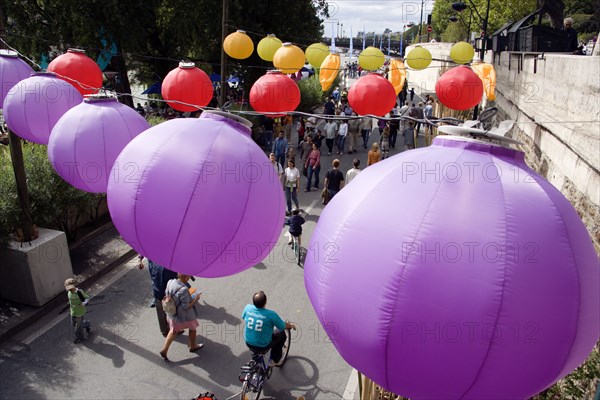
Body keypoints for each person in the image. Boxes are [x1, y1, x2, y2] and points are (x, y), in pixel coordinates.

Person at [242, 291, 296, 367]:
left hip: (248, 341)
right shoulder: (271, 314)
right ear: (265, 302)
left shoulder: (247, 308)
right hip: (263, 345)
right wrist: (291, 325)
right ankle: (275, 360)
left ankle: (256, 357)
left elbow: (243, 316)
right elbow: (282, 326)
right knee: (281, 334)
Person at [159, 274, 203, 360]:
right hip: (183, 316)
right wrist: (195, 299)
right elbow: (185, 307)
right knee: (193, 328)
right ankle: (193, 346)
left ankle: (164, 349)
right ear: (186, 278)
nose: (189, 278)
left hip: (172, 313)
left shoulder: (170, 281)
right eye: (189, 277)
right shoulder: (184, 289)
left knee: (173, 331)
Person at [142, 257, 178, 337]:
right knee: (173, 310)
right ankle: (175, 328)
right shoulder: (169, 267)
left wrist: (140, 259)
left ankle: (164, 330)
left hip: (157, 291)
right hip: (168, 293)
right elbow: (173, 282)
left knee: (160, 312)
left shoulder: (152, 261)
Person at [65, 278, 91, 344]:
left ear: (74, 286)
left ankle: (80, 338)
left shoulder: (79, 292)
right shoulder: (69, 292)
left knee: (78, 327)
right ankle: (87, 324)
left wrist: (83, 303)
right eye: (68, 288)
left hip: (80, 312)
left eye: (71, 288)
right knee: (74, 324)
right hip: (73, 312)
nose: (70, 289)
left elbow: (87, 298)